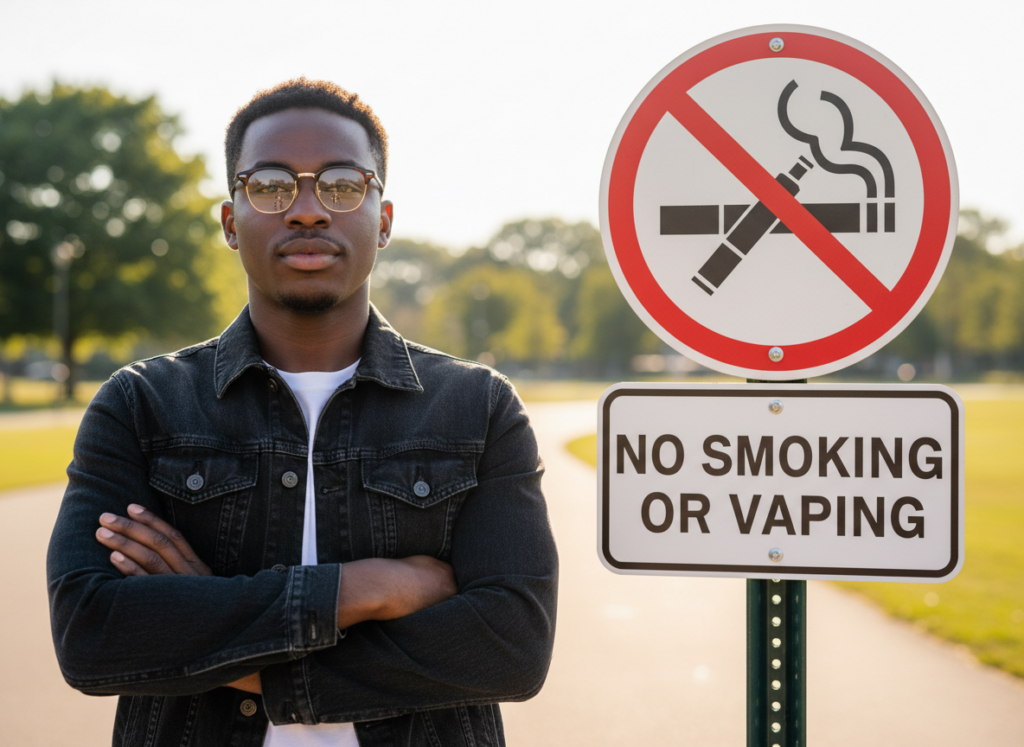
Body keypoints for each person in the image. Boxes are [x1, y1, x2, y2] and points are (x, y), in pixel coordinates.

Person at [47, 78, 558, 747]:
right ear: (231, 221)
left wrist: (228, 643)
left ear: (384, 218)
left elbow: (511, 646)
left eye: (343, 184)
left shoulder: (477, 408)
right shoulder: (142, 404)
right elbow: (93, 633)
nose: (308, 210)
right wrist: (367, 586)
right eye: (271, 185)